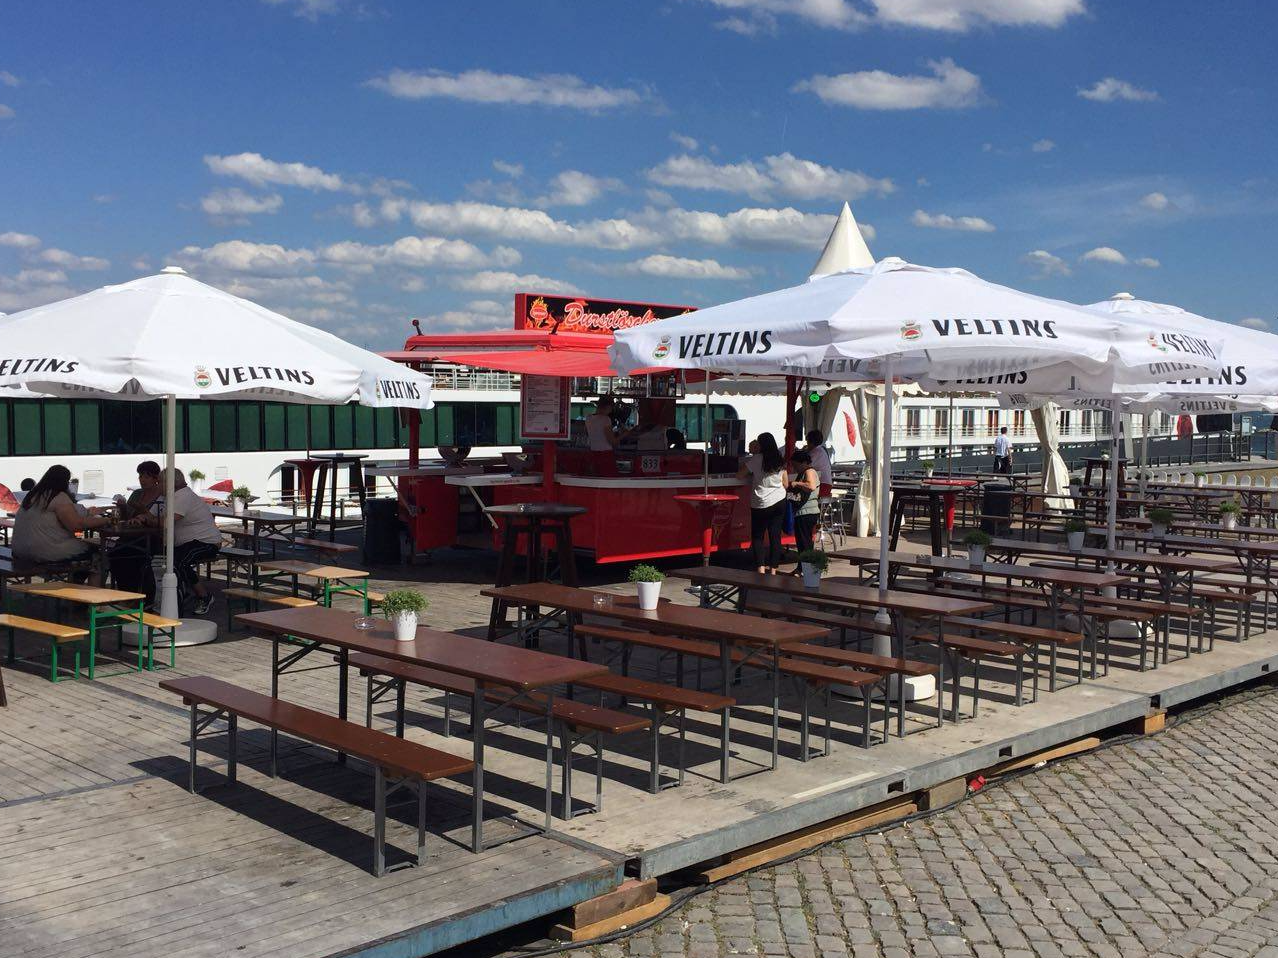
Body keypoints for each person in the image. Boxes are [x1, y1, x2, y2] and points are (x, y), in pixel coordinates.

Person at [127, 469, 221, 614]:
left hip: (206, 542)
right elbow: (152, 516)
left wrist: (146, 517)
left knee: (176, 561)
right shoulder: (168, 497)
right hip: (184, 543)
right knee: (149, 559)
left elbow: (166, 523)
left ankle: (203, 596)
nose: (158, 486)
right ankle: (156, 597)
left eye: (160, 482)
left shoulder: (183, 496)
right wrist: (141, 518)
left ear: (169, 483)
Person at [12, 465, 110, 571]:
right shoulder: (58, 497)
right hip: (45, 552)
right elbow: (76, 526)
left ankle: (75, 582)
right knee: (98, 557)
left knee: (87, 547)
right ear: (64, 482)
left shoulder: (32, 495)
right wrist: (107, 520)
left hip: (20, 550)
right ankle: (89, 587)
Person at [107, 461, 164, 598]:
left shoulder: (161, 496)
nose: (142, 480)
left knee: (131, 557)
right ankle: (127, 593)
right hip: (131, 535)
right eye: (140, 476)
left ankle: (138, 595)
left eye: (146, 477)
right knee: (114, 554)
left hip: (151, 537)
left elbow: (160, 520)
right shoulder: (137, 493)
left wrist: (142, 511)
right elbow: (127, 517)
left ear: (156, 478)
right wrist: (123, 507)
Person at [738, 432, 789, 574]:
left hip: (760, 503)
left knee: (758, 537)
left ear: (761, 445)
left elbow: (739, 475)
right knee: (775, 536)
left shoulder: (756, 459)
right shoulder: (780, 460)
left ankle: (760, 568)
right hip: (779, 500)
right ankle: (773, 569)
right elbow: (785, 483)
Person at [788, 449, 821, 556]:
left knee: (804, 542)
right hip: (806, 512)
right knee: (803, 542)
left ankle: (805, 568)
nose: (794, 468)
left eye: (796, 465)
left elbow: (811, 486)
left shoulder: (809, 471)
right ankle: (802, 567)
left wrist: (796, 483)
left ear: (803, 462)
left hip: (806, 511)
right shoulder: (804, 472)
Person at [585, 396, 620, 476]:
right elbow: (612, 441)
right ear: (608, 407)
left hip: (593, 453)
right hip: (606, 455)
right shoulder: (606, 419)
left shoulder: (588, 418)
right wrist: (625, 434)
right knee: (608, 479)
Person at [805, 430, 834, 497]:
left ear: (811, 442)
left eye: (808, 442)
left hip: (822, 485)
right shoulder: (820, 450)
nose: (807, 444)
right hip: (825, 485)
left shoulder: (816, 452)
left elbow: (805, 466)